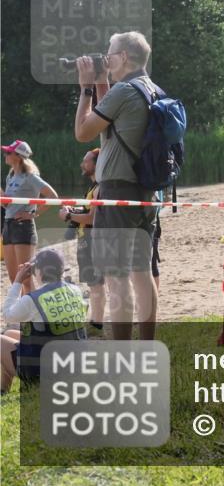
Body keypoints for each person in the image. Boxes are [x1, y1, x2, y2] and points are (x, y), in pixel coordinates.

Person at [73, 31, 159, 341]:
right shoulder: (150, 89)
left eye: (110, 53)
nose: (107, 58)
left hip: (117, 192)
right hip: (146, 193)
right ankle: (147, 345)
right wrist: (99, 80)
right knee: (141, 272)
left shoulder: (124, 91)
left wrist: (85, 87)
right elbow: (110, 123)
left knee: (116, 275)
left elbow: (83, 132)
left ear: (123, 57)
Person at [1, 248, 87, 392]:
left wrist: (17, 282)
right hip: (74, 364)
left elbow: (8, 315)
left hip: (47, 372)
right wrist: (27, 285)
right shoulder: (75, 290)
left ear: (39, 272)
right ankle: (3, 390)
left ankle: (17, 386)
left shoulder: (34, 300)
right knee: (10, 334)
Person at [59, 148, 106, 333]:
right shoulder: (93, 187)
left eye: (86, 161)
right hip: (85, 240)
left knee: (96, 284)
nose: (82, 164)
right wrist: (74, 211)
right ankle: (96, 320)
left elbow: (92, 218)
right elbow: (88, 212)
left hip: (93, 241)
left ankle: (97, 323)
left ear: (96, 164)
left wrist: (69, 215)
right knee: (94, 284)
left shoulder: (99, 188)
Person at [2, 140, 58, 294]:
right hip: (8, 226)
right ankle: (23, 314)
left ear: (18, 156)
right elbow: (8, 205)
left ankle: (31, 315)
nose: (5, 154)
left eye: (8, 152)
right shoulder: (11, 176)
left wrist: (34, 213)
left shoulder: (30, 177)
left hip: (23, 228)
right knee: (14, 279)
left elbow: (53, 196)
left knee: (25, 279)